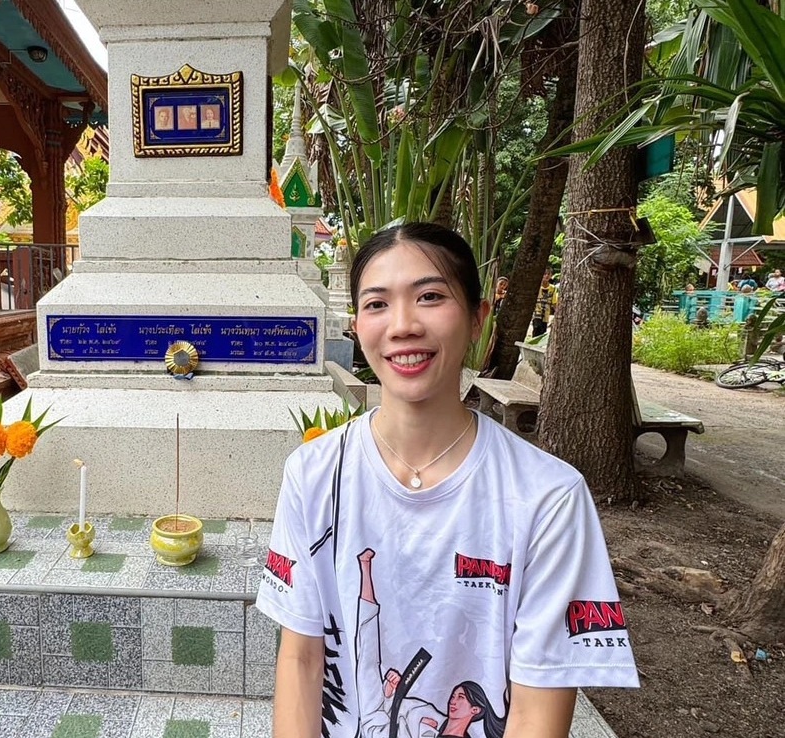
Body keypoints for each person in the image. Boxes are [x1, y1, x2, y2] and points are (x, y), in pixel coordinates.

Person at [257, 222, 638, 738]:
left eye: (430, 296)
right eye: (376, 304)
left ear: (479, 319)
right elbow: (302, 660)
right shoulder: (313, 473)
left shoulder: (549, 497)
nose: (403, 325)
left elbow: (535, 710)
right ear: (356, 326)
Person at [531, 268, 557, 337]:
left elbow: (554, 302)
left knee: (543, 331)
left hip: (546, 314)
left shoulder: (553, 288)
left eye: (548, 274)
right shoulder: (537, 287)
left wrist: (557, 313)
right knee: (536, 328)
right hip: (536, 313)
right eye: (544, 274)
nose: (546, 276)